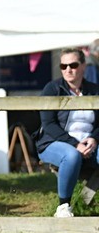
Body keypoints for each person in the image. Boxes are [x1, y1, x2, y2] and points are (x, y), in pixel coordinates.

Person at [34, 48, 99, 218]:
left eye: (73, 65)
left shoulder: (94, 89)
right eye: (63, 66)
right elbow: (48, 125)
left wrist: (94, 138)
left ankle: (86, 200)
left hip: (89, 143)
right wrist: (75, 144)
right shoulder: (52, 89)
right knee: (71, 155)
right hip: (54, 142)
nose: (68, 69)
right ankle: (64, 207)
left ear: (83, 66)